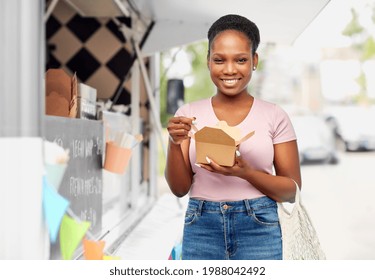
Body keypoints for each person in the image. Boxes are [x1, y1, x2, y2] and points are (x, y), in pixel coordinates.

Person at [165, 14, 301, 260]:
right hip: (201, 225)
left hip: (260, 227)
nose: (229, 69)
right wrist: (174, 144)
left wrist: (245, 172)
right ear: (208, 61)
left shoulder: (275, 115)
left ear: (254, 60)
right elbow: (179, 189)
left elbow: (291, 190)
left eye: (240, 60)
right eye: (219, 60)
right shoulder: (188, 115)